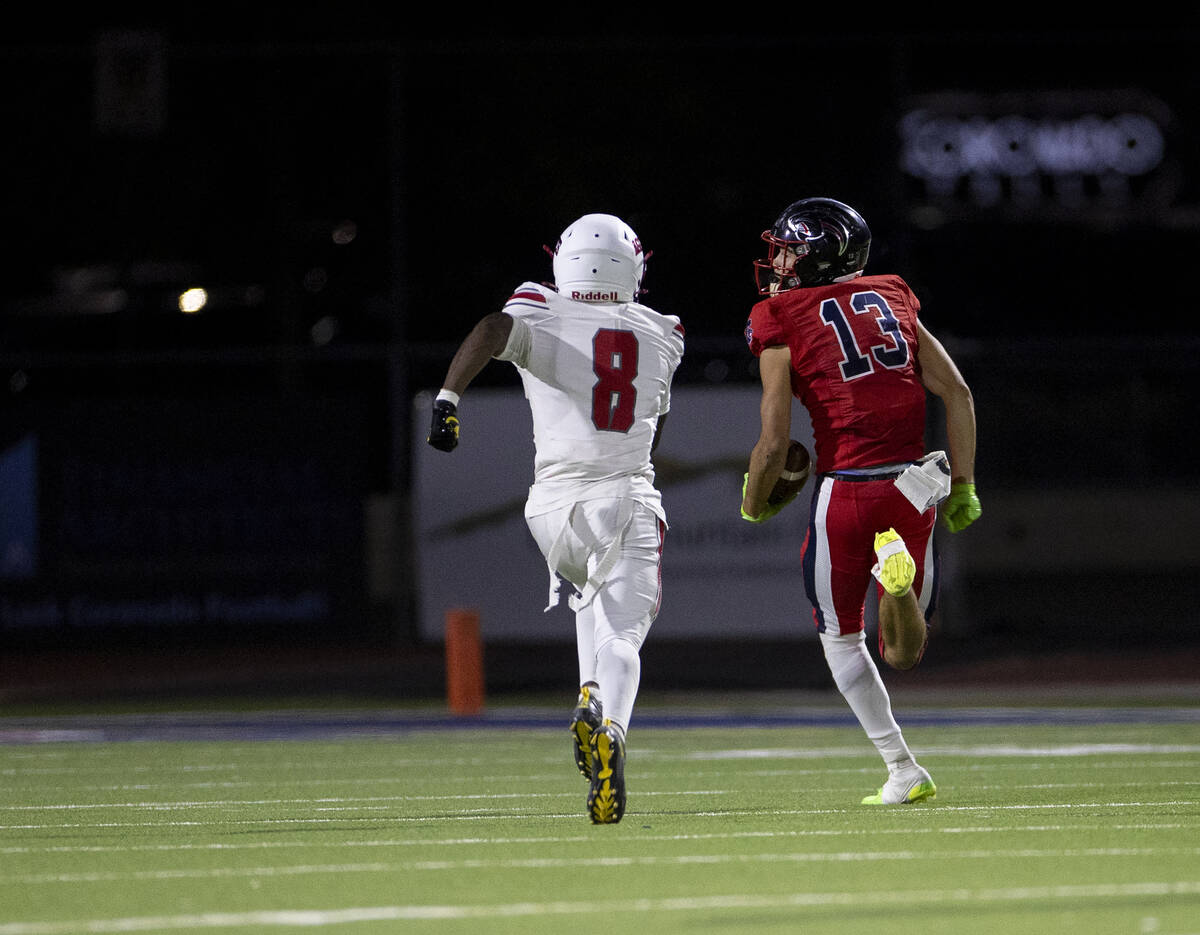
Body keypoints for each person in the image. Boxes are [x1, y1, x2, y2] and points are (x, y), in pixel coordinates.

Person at [427, 213, 685, 824]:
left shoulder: (539, 308)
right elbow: (654, 422)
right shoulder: (663, 332)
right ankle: (614, 729)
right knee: (622, 632)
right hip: (624, 493)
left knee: (584, 586)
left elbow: (493, 328)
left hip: (550, 508)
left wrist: (447, 399)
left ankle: (587, 692)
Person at [740, 196, 981, 805]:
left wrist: (751, 502)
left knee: (841, 639)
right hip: (914, 484)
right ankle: (895, 587)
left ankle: (902, 768)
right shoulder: (894, 293)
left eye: (791, 248)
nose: (782, 259)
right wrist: (966, 486)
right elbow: (957, 393)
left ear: (817, 253)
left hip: (847, 487)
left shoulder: (779, 313)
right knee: (904, 651)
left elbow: (774, 442)